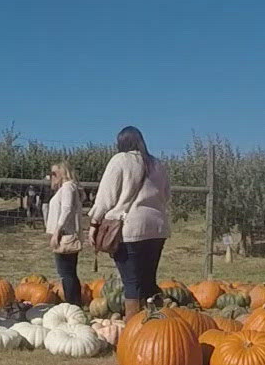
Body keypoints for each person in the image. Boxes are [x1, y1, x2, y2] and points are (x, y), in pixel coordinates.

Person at [88, 126, 171, 317]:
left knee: (131, 282)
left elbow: (106, 197)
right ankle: (156, 324)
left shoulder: (121, 160)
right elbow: (166, 195)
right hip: (158, 228)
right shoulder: (157, 164)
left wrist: (94, 223)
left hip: (131, 228)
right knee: (149, 279)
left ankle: (133, 331)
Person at [44, 161, 83, 305]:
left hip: (64, 235)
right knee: (69, 272)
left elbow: (66, 209)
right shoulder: (67, 188)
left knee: (66, 273)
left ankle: (72, 303)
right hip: (64, 233)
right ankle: (75, 302)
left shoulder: (67, 188)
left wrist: (57, 232)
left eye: (54, 173)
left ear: (63, 172)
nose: (52, 176)